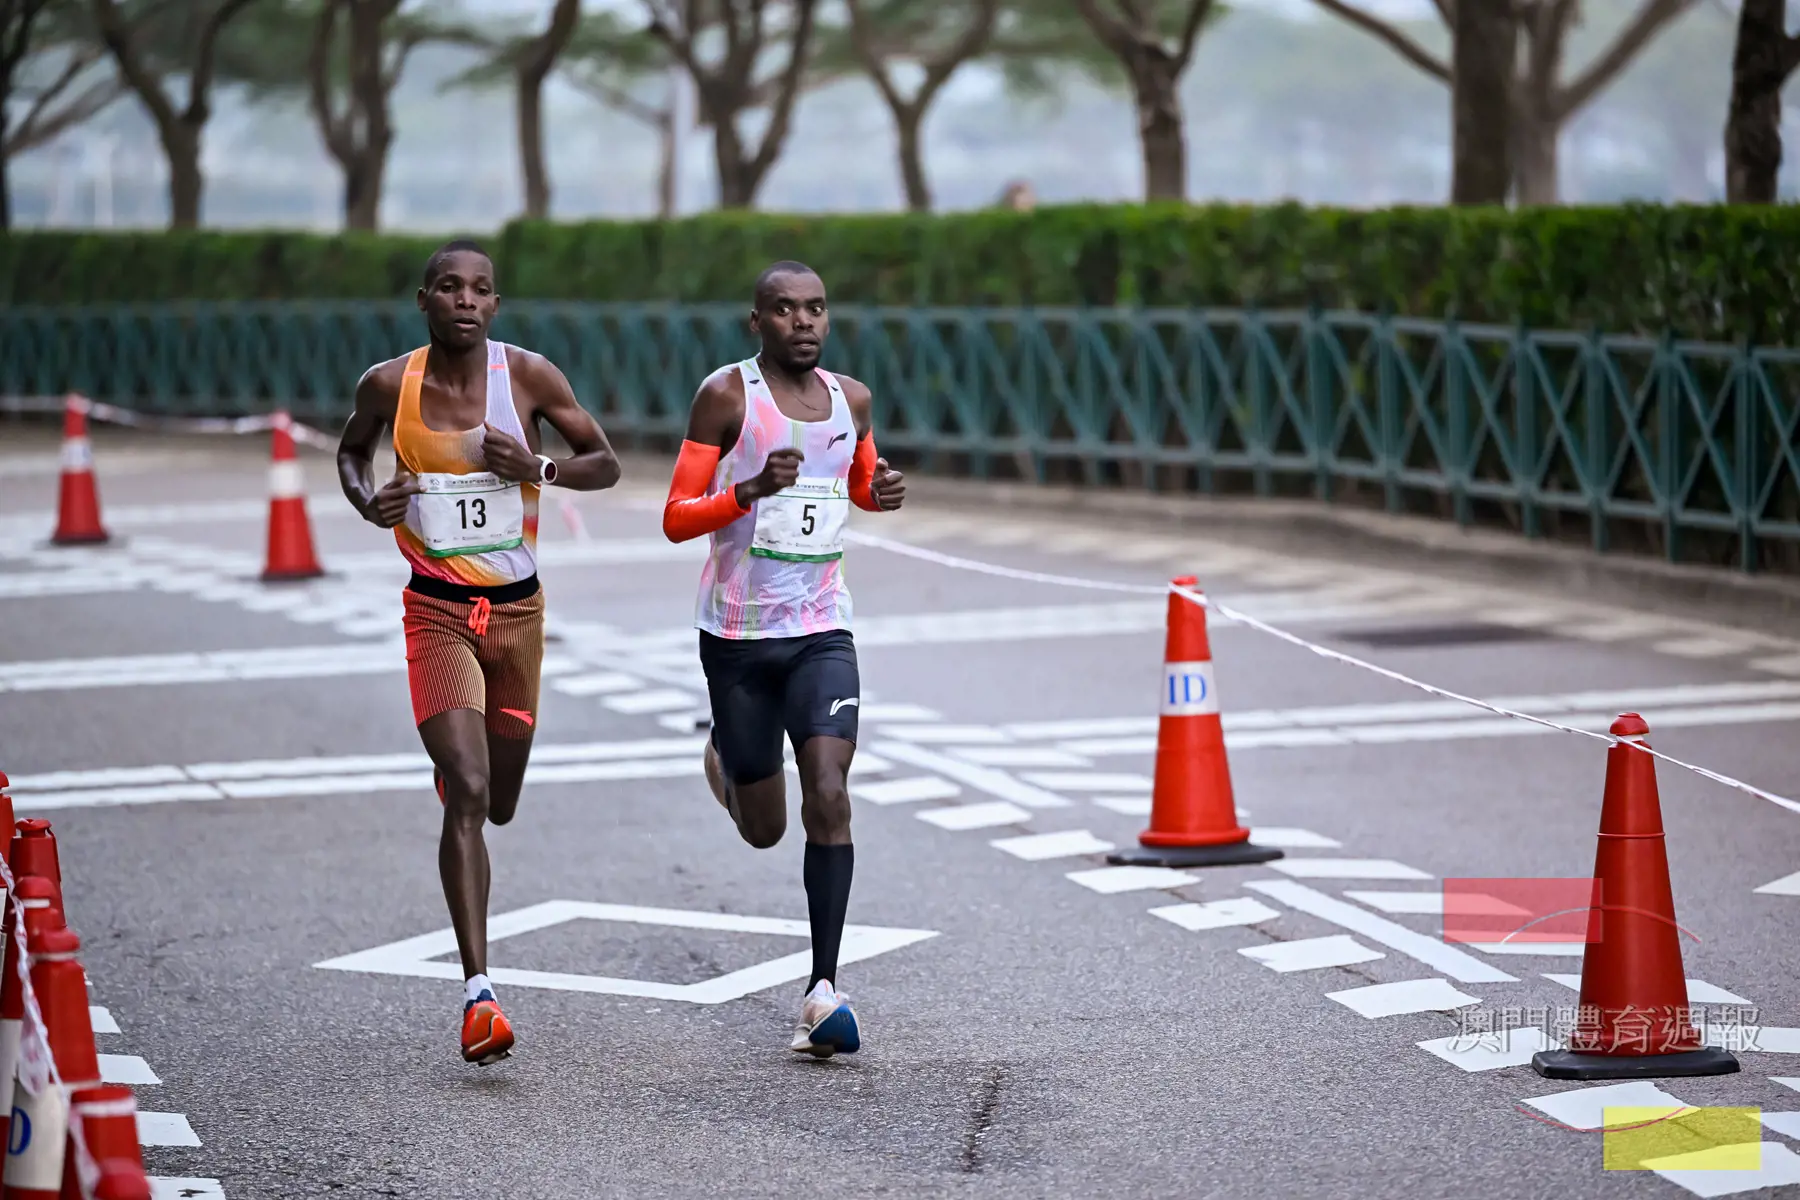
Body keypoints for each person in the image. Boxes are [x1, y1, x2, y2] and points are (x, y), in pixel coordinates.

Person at [336, 239, 621, 1065]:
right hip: (436, 610)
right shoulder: (389, 385)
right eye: (450, 288)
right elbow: (352, 453)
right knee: (466, 791)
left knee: (500, 799)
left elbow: (605, 461)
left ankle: (470, 765)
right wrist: (370, 502)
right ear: (424, 300)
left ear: (495, 306)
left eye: (481, 290)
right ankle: (478, 994)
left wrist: (537, 466)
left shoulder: (528, 377)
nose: (466, 300)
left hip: (517, 616)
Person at [661, 260, 906, 1058]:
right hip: (737, 637)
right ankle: (726, 763)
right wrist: (749, 489)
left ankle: (823, 988)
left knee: (829, 791)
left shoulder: (851, 399)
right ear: (757, 321)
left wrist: (882, 489)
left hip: (822, 630)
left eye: (817, 308)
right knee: (764, 827)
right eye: (786, 309)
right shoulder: (728, 397)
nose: (804, 321)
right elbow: (675, 516)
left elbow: (857, 485)